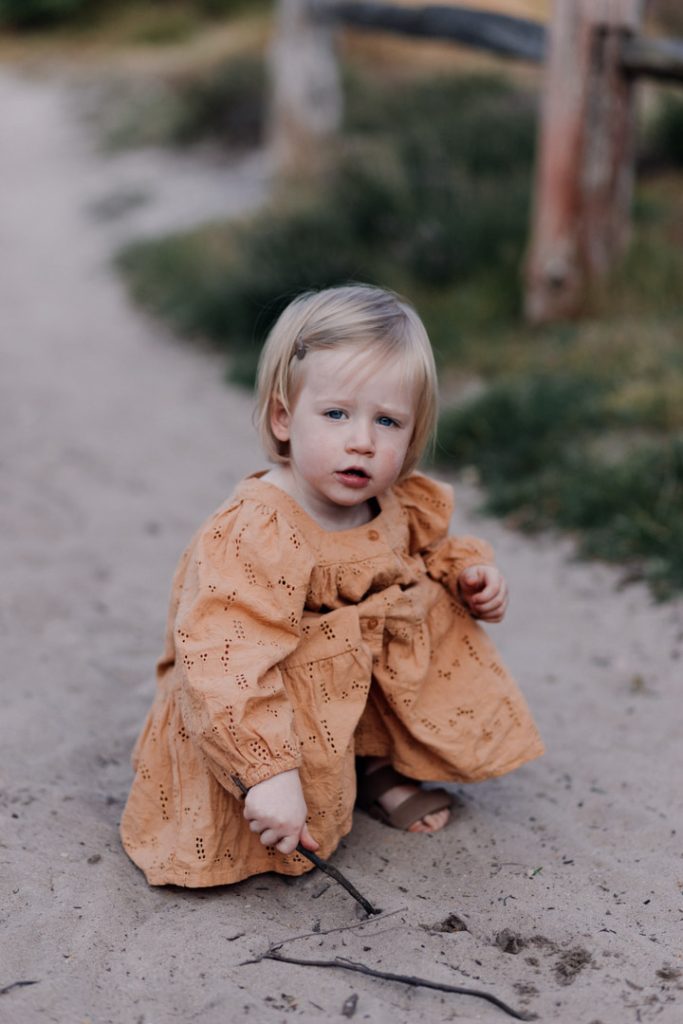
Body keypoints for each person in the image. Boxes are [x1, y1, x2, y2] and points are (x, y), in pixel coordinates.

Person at [120, 283, 544, 888]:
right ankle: (275, 783)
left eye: (388, 420)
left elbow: (425, 553)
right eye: (338, 413)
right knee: (262, 802)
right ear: (284, 416)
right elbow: (224, 657)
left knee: (413, 603)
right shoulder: (260, 529)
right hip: (257, 700)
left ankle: (373, 764)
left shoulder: (390, 504)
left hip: (341, 681)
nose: (362, 441)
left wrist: (470, 576)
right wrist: (267, 773)